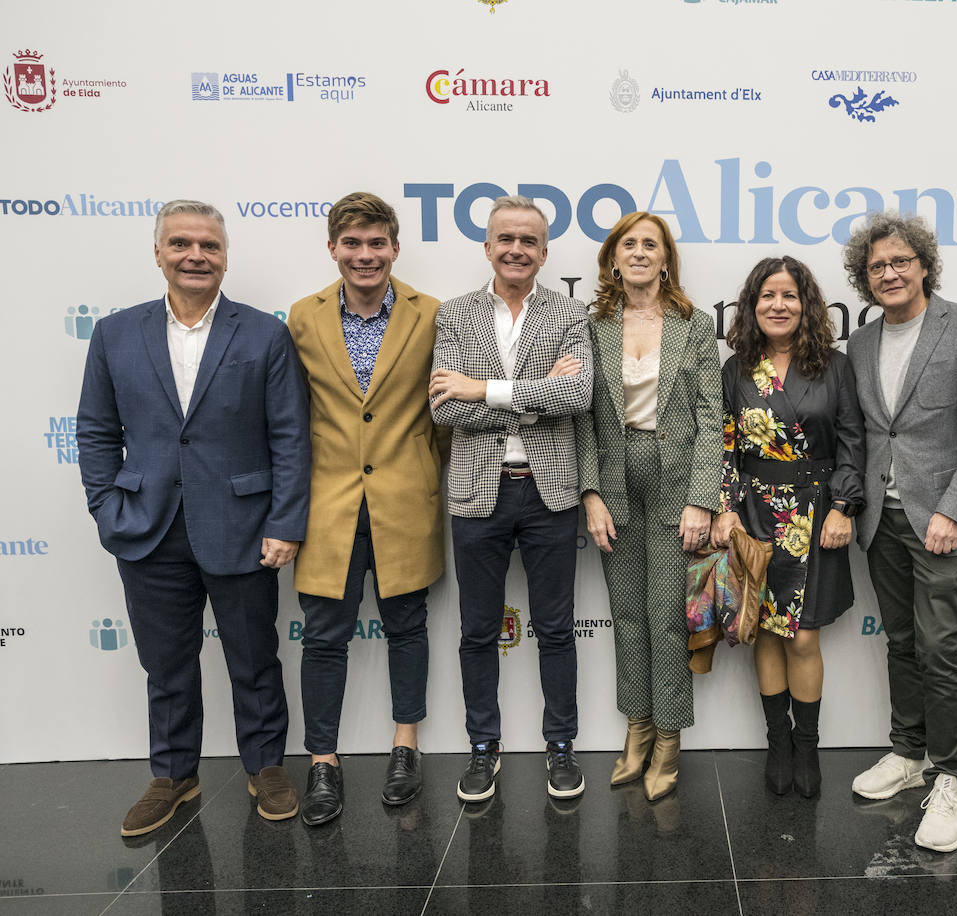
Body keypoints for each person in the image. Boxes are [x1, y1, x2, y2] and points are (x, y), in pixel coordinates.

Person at [76, 200, 311, 835]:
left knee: (254, 659)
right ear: (158, 254)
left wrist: (286, 522)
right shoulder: (115, 333)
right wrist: (106, 507)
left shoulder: (264, 332)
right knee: (167, 663)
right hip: (147, 528)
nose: (195, 255)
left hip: (242, 526)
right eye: (180, 243)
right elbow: (96, 431)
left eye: (208, 245)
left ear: (225, 257)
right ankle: (174, 775)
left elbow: (290, 436)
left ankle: (266, 767)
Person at [843, 212, 957, 853]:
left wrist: (955, 511)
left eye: (899, 262)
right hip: (880, 521)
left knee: (940, 648)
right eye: (876, 266)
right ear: (865, 279)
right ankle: (908, 752)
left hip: (942, 521)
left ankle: (952, 780)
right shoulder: (859, 345)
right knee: (901, 641)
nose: (888, 272)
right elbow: (870, 434)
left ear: (923, 266)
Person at [287, 192, 446, 826]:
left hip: (406, 500)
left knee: (407, 626)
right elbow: (290, 420)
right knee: (324, 636)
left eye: (377, 243)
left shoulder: (429, 314)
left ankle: (405, 748)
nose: (365, 255)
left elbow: (443, 419)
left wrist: (427, 478)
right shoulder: (302, 318)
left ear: (395, 249)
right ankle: (322, 761)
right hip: (327, 504)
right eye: (352, 244)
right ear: (333, 249)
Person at [429, 195, 593, 802]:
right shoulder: (455, 315)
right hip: (478, 493)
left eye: (529, 240)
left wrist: (484, 390)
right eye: (506, 239)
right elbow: (443, 406)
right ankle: (482, 747)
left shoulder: (570, 314)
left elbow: (577, 397)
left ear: (545, 251)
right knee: (477, 630)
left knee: (555, 628)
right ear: (488, 245)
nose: (517, 249)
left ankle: (561, 746)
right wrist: (533, 394)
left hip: (550, 492)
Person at [574, 212, 723, 801]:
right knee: (628, 615)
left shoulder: (694, 324)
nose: (639, 252)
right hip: (614, 479)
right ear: (614, 258)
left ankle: (668, 739)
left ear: (666, 260)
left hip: (675, 481)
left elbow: (712, 417)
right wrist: (590, 492)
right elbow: (582, 416)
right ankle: (635, 727)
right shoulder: (593, 325)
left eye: (650, 245)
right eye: (628, 244)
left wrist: (700, 500)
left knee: (667, 618)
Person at [711, 256, 865, 799]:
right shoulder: (735, 370)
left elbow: (852, 441)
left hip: (816, 513)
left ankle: (808, 745)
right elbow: (725, 447)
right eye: (767, 296)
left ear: (807, 306)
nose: (778, 305)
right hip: (755, 515)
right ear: (752, 306)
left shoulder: (835, 366)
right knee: (764, 631)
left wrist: (844, 507)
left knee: (802, 636)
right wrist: (725, 508)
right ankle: (777, 741)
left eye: (789, 296)